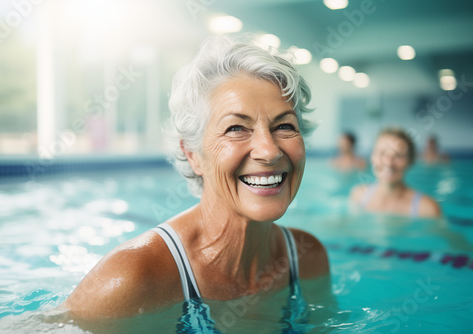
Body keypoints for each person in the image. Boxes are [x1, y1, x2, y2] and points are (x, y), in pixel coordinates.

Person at [61, 36, 330, 330]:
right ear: (193, 155)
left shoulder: (307, 259)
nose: (269, 150)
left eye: (284, 126)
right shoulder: (133, 278)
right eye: (236, 128)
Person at [350, 127, 441, 218]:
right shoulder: (358, 196)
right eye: (382, 153)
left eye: (398, 155)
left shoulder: (427, 209)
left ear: (410, 161)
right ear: (372, 157)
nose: (388, 162)